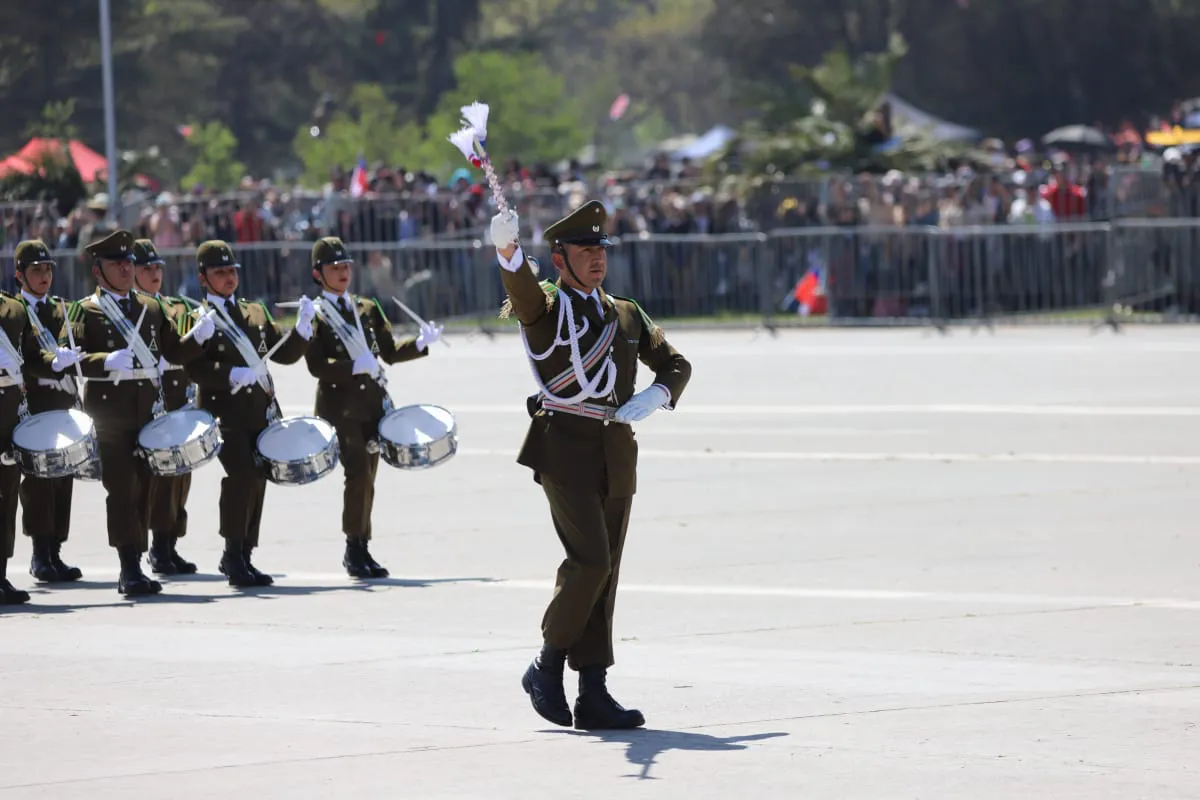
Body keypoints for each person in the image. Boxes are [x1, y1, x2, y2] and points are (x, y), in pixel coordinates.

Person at [490, 201, 692, 730]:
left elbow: (676, 361)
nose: (597, 258)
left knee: (607, 574)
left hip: (616, 451)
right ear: (559, 259)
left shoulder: (625, 312)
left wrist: (660, 394)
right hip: (564, 448)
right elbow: (523, 293)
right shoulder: (548, 309)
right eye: (585, 250)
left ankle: (593, 691)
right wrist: (508, 251)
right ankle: (545, 663)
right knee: (590, 562)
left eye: (601, 249)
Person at [45, 229, 216, 597]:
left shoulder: (150, 308)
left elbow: (173, 351)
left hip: (148, 413)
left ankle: (139, 561)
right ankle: (128, 567)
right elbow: (67, 356)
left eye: (129, 263)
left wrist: (198, 339)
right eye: (117, 264)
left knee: (146, 490)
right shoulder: (83, 310)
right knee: (122, 491)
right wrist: (102, 360)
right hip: (110, 416)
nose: (126, 269)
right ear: (98, 271)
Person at [303, 236, 443, 578]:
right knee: (359, 475)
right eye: (334, 268)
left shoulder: (366, 308)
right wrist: (351, 366)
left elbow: (390, 352)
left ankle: (363, 545)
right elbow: (316, 366)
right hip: (339, 409)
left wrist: (421, 343)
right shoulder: (314, 314)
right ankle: (353, 549)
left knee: (369, 478)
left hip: (372, 406)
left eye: (346, 266)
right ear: (317, 273)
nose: (342, 272)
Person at [182, 240, 315, 587]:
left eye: (232, 271)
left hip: (260, 411)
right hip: (223, 415)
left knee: (257, 479)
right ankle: (231, 553)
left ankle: (245, 555)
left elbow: (281, 354)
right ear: (203, 278)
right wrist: (228, 375)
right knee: (241, 477)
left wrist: (301, 332)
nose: (228, 278)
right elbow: (193, 367)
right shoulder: (198, 318)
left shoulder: (255, 312)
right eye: (220, 272)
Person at [12, 239, 84, 585]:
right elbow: (24, 357)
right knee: (38, 482)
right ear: (19, 275)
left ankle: (55, 550)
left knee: (62, 478)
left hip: (62, 402)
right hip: (33, 405)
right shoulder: (14, 312)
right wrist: (52, 364)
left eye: (47, 270)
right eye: (36, 271)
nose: (44, 277)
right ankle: (40, 554)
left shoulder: (62, 309)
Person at [132, 238, 200, 575]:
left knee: (181, 477)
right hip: (150, 401)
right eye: (147, 268)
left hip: (179, 399)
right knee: (157, 480)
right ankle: (156, 548)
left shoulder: (179, 307)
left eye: (158, 267)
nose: (154, 273)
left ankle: (171, 542)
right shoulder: (131, 310)